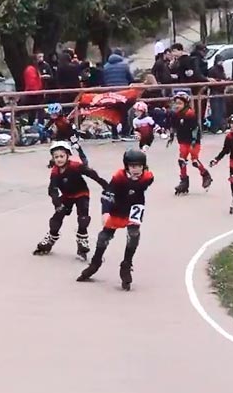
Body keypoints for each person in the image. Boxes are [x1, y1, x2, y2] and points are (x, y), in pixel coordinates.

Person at [75, 149, 153, 290]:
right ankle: (95, 262)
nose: (136, 170)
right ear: (126, 166)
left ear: (144, 166)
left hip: (134, 207)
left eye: (139, 166)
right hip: (117, 206)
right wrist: (105, 212)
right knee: (104, 237)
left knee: (134, 235)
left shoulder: (148, 177)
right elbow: (107, 194)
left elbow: (138, 188)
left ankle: (126, 265)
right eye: (132, 166)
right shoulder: (118, 177)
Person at [33, 140, 109, 260]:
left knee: (83, 218)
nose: (59, 159)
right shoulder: (55, 172)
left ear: (68, 155)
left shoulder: (75, 166)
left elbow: (92, 174)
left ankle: (82, 240)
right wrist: (57, 203)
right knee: (56, 218)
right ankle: (50, 239)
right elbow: (52, 189)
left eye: (62, 156)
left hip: (81, 194)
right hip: (67, 196)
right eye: (56, 157)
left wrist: (106, 186)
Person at [168, 91, 213, 195]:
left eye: (179, 103)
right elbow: (174, 126)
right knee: (181, 160)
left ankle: (205, 175)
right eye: (176, 103)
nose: (177, 105)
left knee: (194, 161)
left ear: (186, 104)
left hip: (193, 141)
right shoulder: (175, 114)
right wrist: (171, 136)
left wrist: (193, 139)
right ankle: (184, 181)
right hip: (183, 140)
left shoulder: (190, 114)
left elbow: (195, 128)